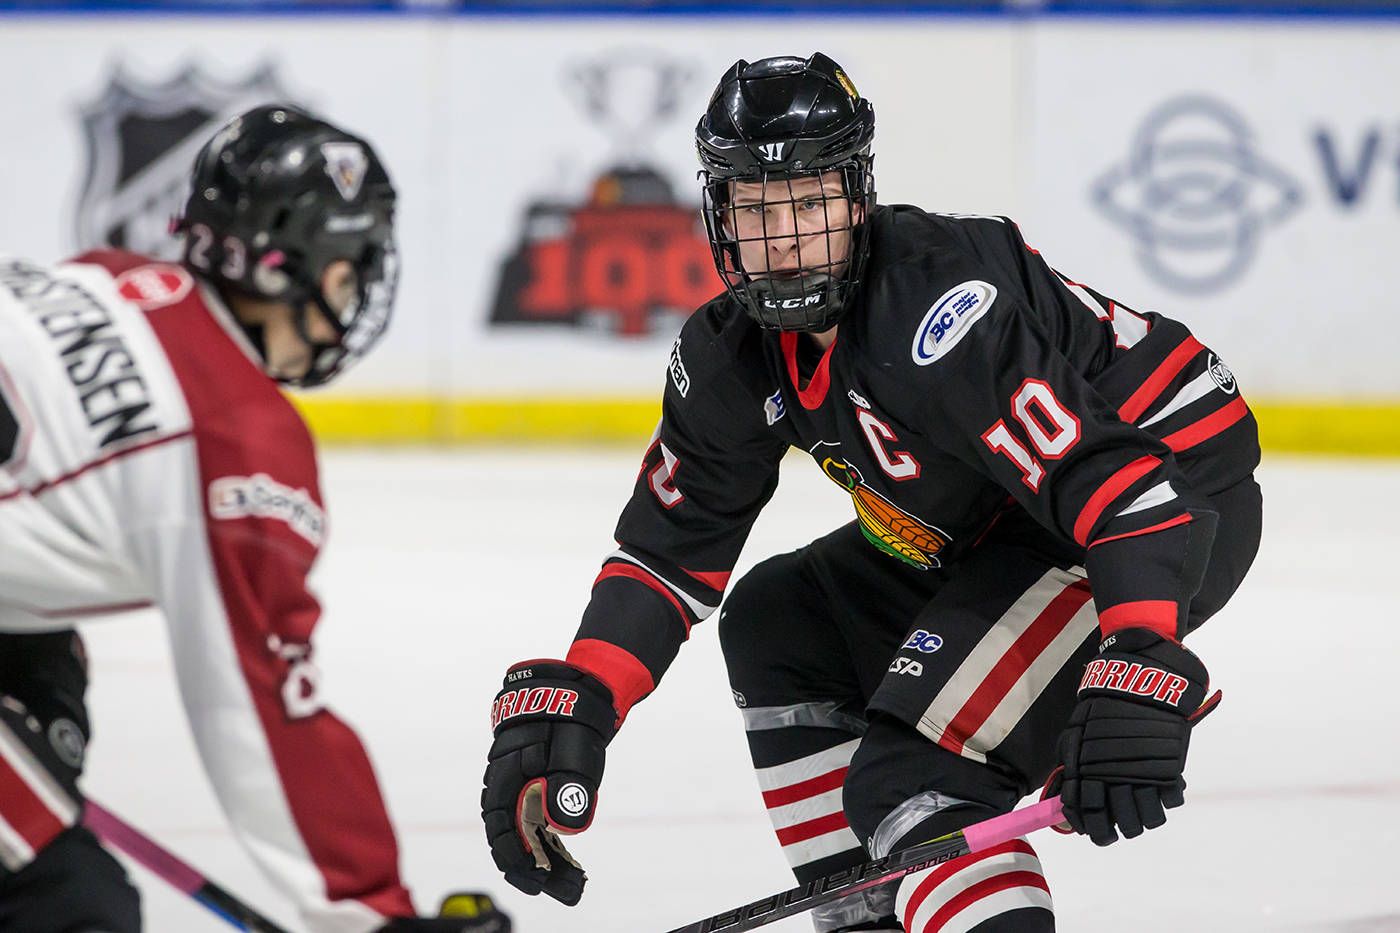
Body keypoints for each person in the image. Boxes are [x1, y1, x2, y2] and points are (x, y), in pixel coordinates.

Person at [481, 53, 1262, 933]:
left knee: (920, 773)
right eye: (758, 208)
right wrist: (586, 691)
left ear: (858, 199)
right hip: (1006, 520)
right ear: (717, 215)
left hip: (1156, 502)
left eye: (811, 204)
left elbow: (1115, 490)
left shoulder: (934, 308)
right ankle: (878, 918)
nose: (787, 240)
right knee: (780, 618)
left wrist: (1138, 657)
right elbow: (667, 551)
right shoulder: (730, 354)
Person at [0, 105, 509, 933]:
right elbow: (265, 705)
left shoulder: (108, 276)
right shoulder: (237, 438)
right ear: (289, 264)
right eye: (349, 266)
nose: (354, 293)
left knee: (45, 686)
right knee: (72, 909)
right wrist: (374, 914)